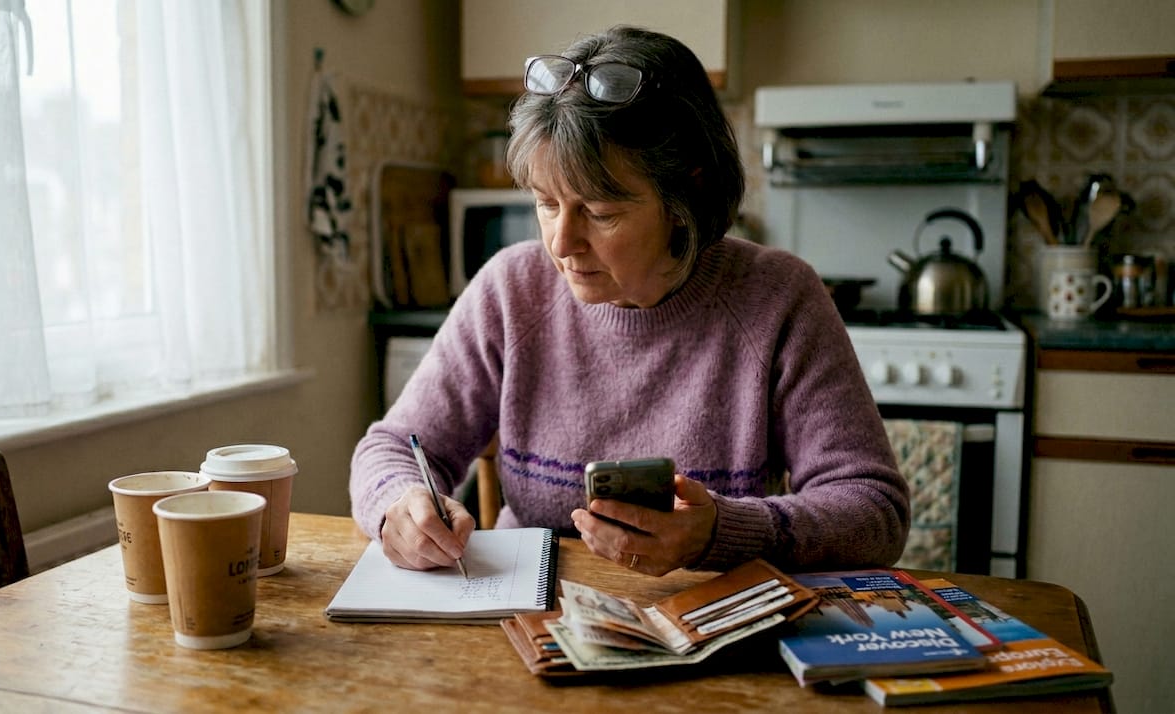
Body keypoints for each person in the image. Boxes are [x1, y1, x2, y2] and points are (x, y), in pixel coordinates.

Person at [350, 26, 909, 577]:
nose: (560, 244)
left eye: (599, 212)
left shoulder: (779, 299)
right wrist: (399, 505)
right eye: (546, 204)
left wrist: (720, 532)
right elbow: (393, 446)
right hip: (525, 617)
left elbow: (874, 511)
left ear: (689, 194)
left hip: (705, 628)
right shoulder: (510, 288)